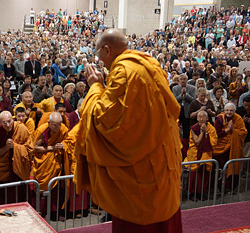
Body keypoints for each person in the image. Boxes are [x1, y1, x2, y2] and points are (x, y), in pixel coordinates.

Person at [74, 29, 183, 232]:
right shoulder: (148, 63)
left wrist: (95, 87)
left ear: (107, 50)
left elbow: (104, 121)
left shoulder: (124, 72)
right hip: (162, 161)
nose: (100, 61)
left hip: (141, 176)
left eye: (99, 54)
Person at [33, 112, 69, 214]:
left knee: (56, 188)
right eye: (54, 125)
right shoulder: (42, 130)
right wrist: (52, 148)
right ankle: (41, 210)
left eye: (59, 124)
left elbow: (68, 142)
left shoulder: (63, 129)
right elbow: (35, 147)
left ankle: (54, 211)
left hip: (57, 161)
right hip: (44, 161)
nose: (57, 127)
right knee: (43, 188)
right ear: (49, 123)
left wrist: (62, 145)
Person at [0, 111, 33, 204]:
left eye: (9, 121)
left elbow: (30, 149)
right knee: (4, 199)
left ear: (13, 119)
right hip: (5, 170)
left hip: (20, 169)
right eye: (4, 122)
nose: (7, 125)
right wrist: (7, 147)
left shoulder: (21, 128)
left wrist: (15, 146)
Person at [213, 103, 247, 193]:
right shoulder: (220, 119)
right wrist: (227, 130)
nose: (229, 112)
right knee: (219, 168)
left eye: (231, 110)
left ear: (234, 111)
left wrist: (233, 130)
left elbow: (243, 132)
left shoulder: (238, 119)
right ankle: (218, 188)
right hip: (220, 147)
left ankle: (231, 188)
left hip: (233, 147)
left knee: (233, 166)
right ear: (224, 111)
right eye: (227, 110)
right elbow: (216, 134)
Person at [184, 111, 217, 201]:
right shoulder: (194, 128)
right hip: (195, 153)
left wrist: (207, 132)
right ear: (197, 118)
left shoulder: (211, 128)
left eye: (203, 117)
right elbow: (197, 142)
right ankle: (192, 194)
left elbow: (214, 142)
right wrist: (203, 132)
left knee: (203, 175)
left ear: (207, 119)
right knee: (194, 175)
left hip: (205, 154)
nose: (201, 119)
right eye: (200, 117)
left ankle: (201, 193)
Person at [236, 96, 250, 178]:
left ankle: (242, 169)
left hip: (249, 137)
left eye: (249, 105)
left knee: (246, 155)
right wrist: (241, 121)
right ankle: (239, 170)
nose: (247, 107)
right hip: (239, 136)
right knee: (239, 154)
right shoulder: (239, 110)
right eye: (245, 105)